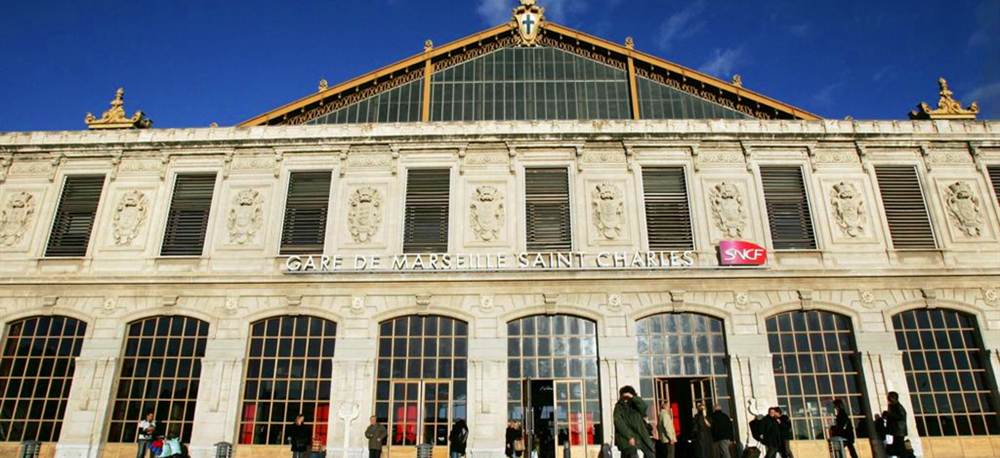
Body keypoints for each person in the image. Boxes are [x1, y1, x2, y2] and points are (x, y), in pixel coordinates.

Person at [613, 385, 654, 458]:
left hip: (640, 435)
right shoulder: (619, 408)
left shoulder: (636, 405)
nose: (626, 399)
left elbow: (644, 406)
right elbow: (619, 423)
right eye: (624, 397)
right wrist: (629, 436)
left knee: (650, 454)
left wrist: (633, 397)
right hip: (626, 437)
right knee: (632, 455)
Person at [885, 392, 912, 458]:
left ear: (894, 398)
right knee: (897, 447)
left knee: (900, 447)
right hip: (896, 430)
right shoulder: (892, 406)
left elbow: (901, 417)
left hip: (899, 431)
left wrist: (889, 415)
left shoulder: (898, 406)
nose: (888, 398)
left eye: (889, 397)